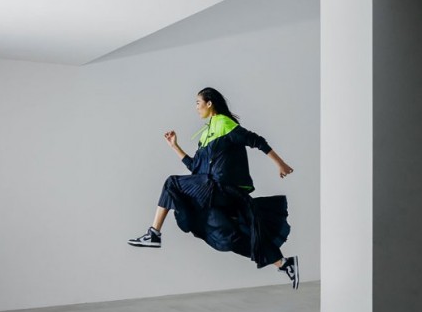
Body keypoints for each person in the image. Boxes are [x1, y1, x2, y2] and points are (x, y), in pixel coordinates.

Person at [128, 87, 299, 289]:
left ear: (209, 103)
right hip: (214, 190)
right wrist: (175, 146)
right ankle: (284, 263)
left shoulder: (224, 123)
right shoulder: (206, 134)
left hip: (223, 189)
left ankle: (154, 234)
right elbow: (195, 167)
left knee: (171, 183)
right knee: (226, 237)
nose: (196, 107)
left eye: (198, 103)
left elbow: (256, 140)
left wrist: (280, 164)